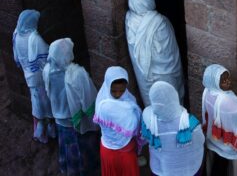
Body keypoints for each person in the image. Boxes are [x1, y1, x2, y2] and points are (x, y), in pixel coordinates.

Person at [42, 38, 99, 175]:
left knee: (67, 147)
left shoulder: (47, 70)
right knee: (82, 148)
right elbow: (89, 98)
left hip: (60, 119)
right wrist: (95, 117)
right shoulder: (77, 73)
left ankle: (69, 169)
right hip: (76, 120)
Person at [125, 0, 185, 106]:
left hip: (145, 77)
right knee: (173, 102)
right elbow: (170, 52)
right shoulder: (160, 22)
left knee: (153, 103)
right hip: (167, 74)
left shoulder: (130, 21)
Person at [202, 64, 237, 176]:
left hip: (213, 141)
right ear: (214, 82)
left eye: (228, 78)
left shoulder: (207, 92)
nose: (228, 82)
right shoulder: (230, 102)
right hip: (230, 148)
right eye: (223, 81)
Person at [142, 81, 204, 176]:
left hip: (161, 171)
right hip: (189, 170)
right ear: (174, 97)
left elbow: (146, 139)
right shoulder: (191, 123)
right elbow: (199, 144)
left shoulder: (148, 119)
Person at [13, 9, 54, 143]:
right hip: (38, 76)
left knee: (36, 101)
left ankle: (41, 132)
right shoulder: (34, 38)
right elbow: (47, 55)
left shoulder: (16, 34)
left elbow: (17, 57)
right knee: (45, 103)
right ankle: (47, 132)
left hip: (27, 74)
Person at [93, 66, 143, 176]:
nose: (118, 94)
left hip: (117, 150)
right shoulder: (104, 106)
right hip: (118, 152)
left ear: (126, 87)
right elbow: (134, 125)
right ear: (107, 86)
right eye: (114, 90)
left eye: (122, 90)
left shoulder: (128, 99)